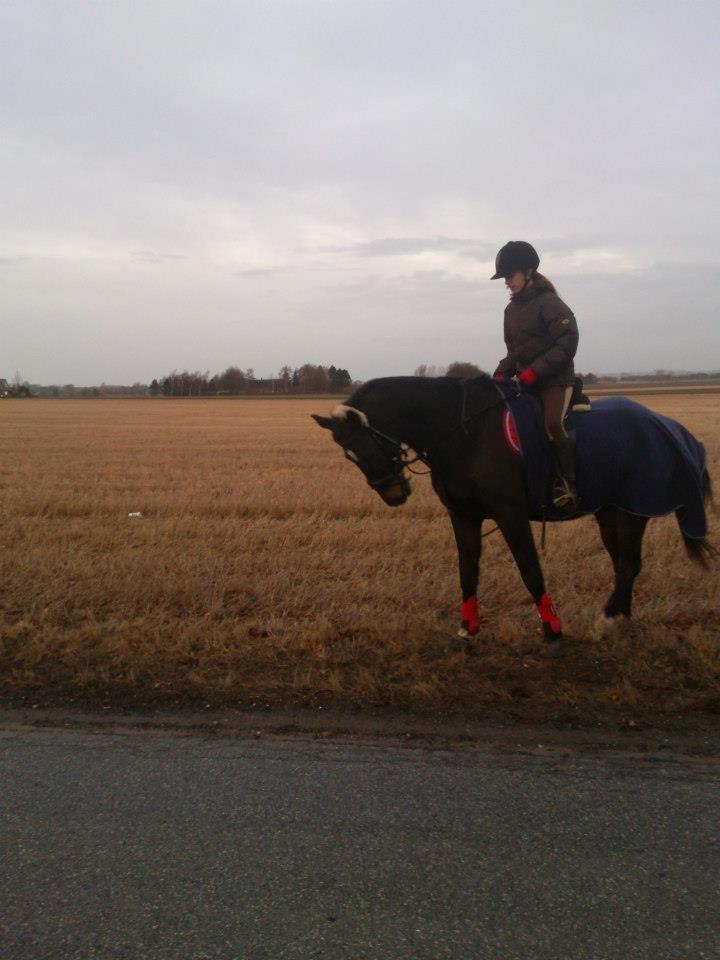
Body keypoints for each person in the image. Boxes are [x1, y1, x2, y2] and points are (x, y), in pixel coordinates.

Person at [491, 241, 579, 511]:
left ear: (528, 272)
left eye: (510, 276)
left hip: (555, 380)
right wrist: (500, 374)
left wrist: (534, 372)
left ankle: (567, 484)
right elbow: (513, 352)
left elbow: (567, 343)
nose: (507, 282)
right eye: (504, 277)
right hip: (526, 380)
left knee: (551, 424)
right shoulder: (511, 310)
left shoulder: (550, 303)